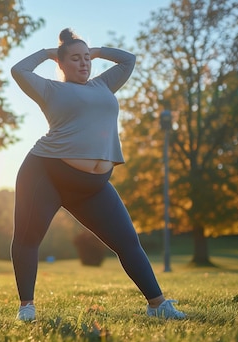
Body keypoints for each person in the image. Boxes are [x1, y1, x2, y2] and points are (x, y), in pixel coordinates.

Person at [10, 28, 186, 321]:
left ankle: (157, 305)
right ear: (61, 63)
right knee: (28, 238)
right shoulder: (50, 89)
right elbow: (19, 70)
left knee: (128, 242)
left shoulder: (103, 84)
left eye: (87, 58)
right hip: (46, 171)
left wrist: (98, 51)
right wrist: (48, 53)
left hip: (93, 185)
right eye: (76, 59)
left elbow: (128, 61)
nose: (84, 63)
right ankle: (26, 307)